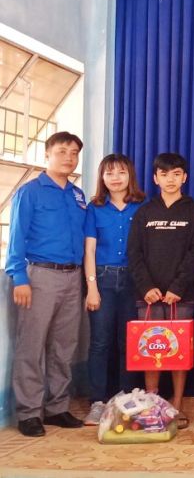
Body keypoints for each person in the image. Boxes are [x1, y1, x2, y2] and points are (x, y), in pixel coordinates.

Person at [6, 132, 87, 437]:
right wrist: (20, 278)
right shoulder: (30, 192)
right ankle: (29, 412)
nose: (69, 157)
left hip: (73, 277)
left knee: (64, 346)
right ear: (47, 154)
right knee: (32, 345)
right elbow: (16, 237)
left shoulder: (77, 195)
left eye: (74, 152)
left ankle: (57, 407)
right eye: (62, 151)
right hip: (40, 276)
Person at [128, 152, 194, 429]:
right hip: (148, 296)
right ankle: (152, 402)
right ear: (155, 178)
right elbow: (134, 253)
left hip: (180, 295)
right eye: (164, 174)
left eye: (176, 174)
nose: (170, 179)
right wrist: (146, 287)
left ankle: (177, 404)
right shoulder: (145, 212)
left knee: (178, 350)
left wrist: (177, 287)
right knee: (151, 348)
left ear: (184, 177)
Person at [82, 154, 146, 425]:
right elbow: (89, 250)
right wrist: (91, 288)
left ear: (130, 175)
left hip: (134, 280)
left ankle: (126, 399)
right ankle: (97, 402)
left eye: (121, 172)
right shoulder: (95, 208)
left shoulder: (142, 206)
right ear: (102, 178)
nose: (115, 178)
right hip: (103, 279)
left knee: (128, 342)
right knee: (100, 342)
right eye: (109, 173)